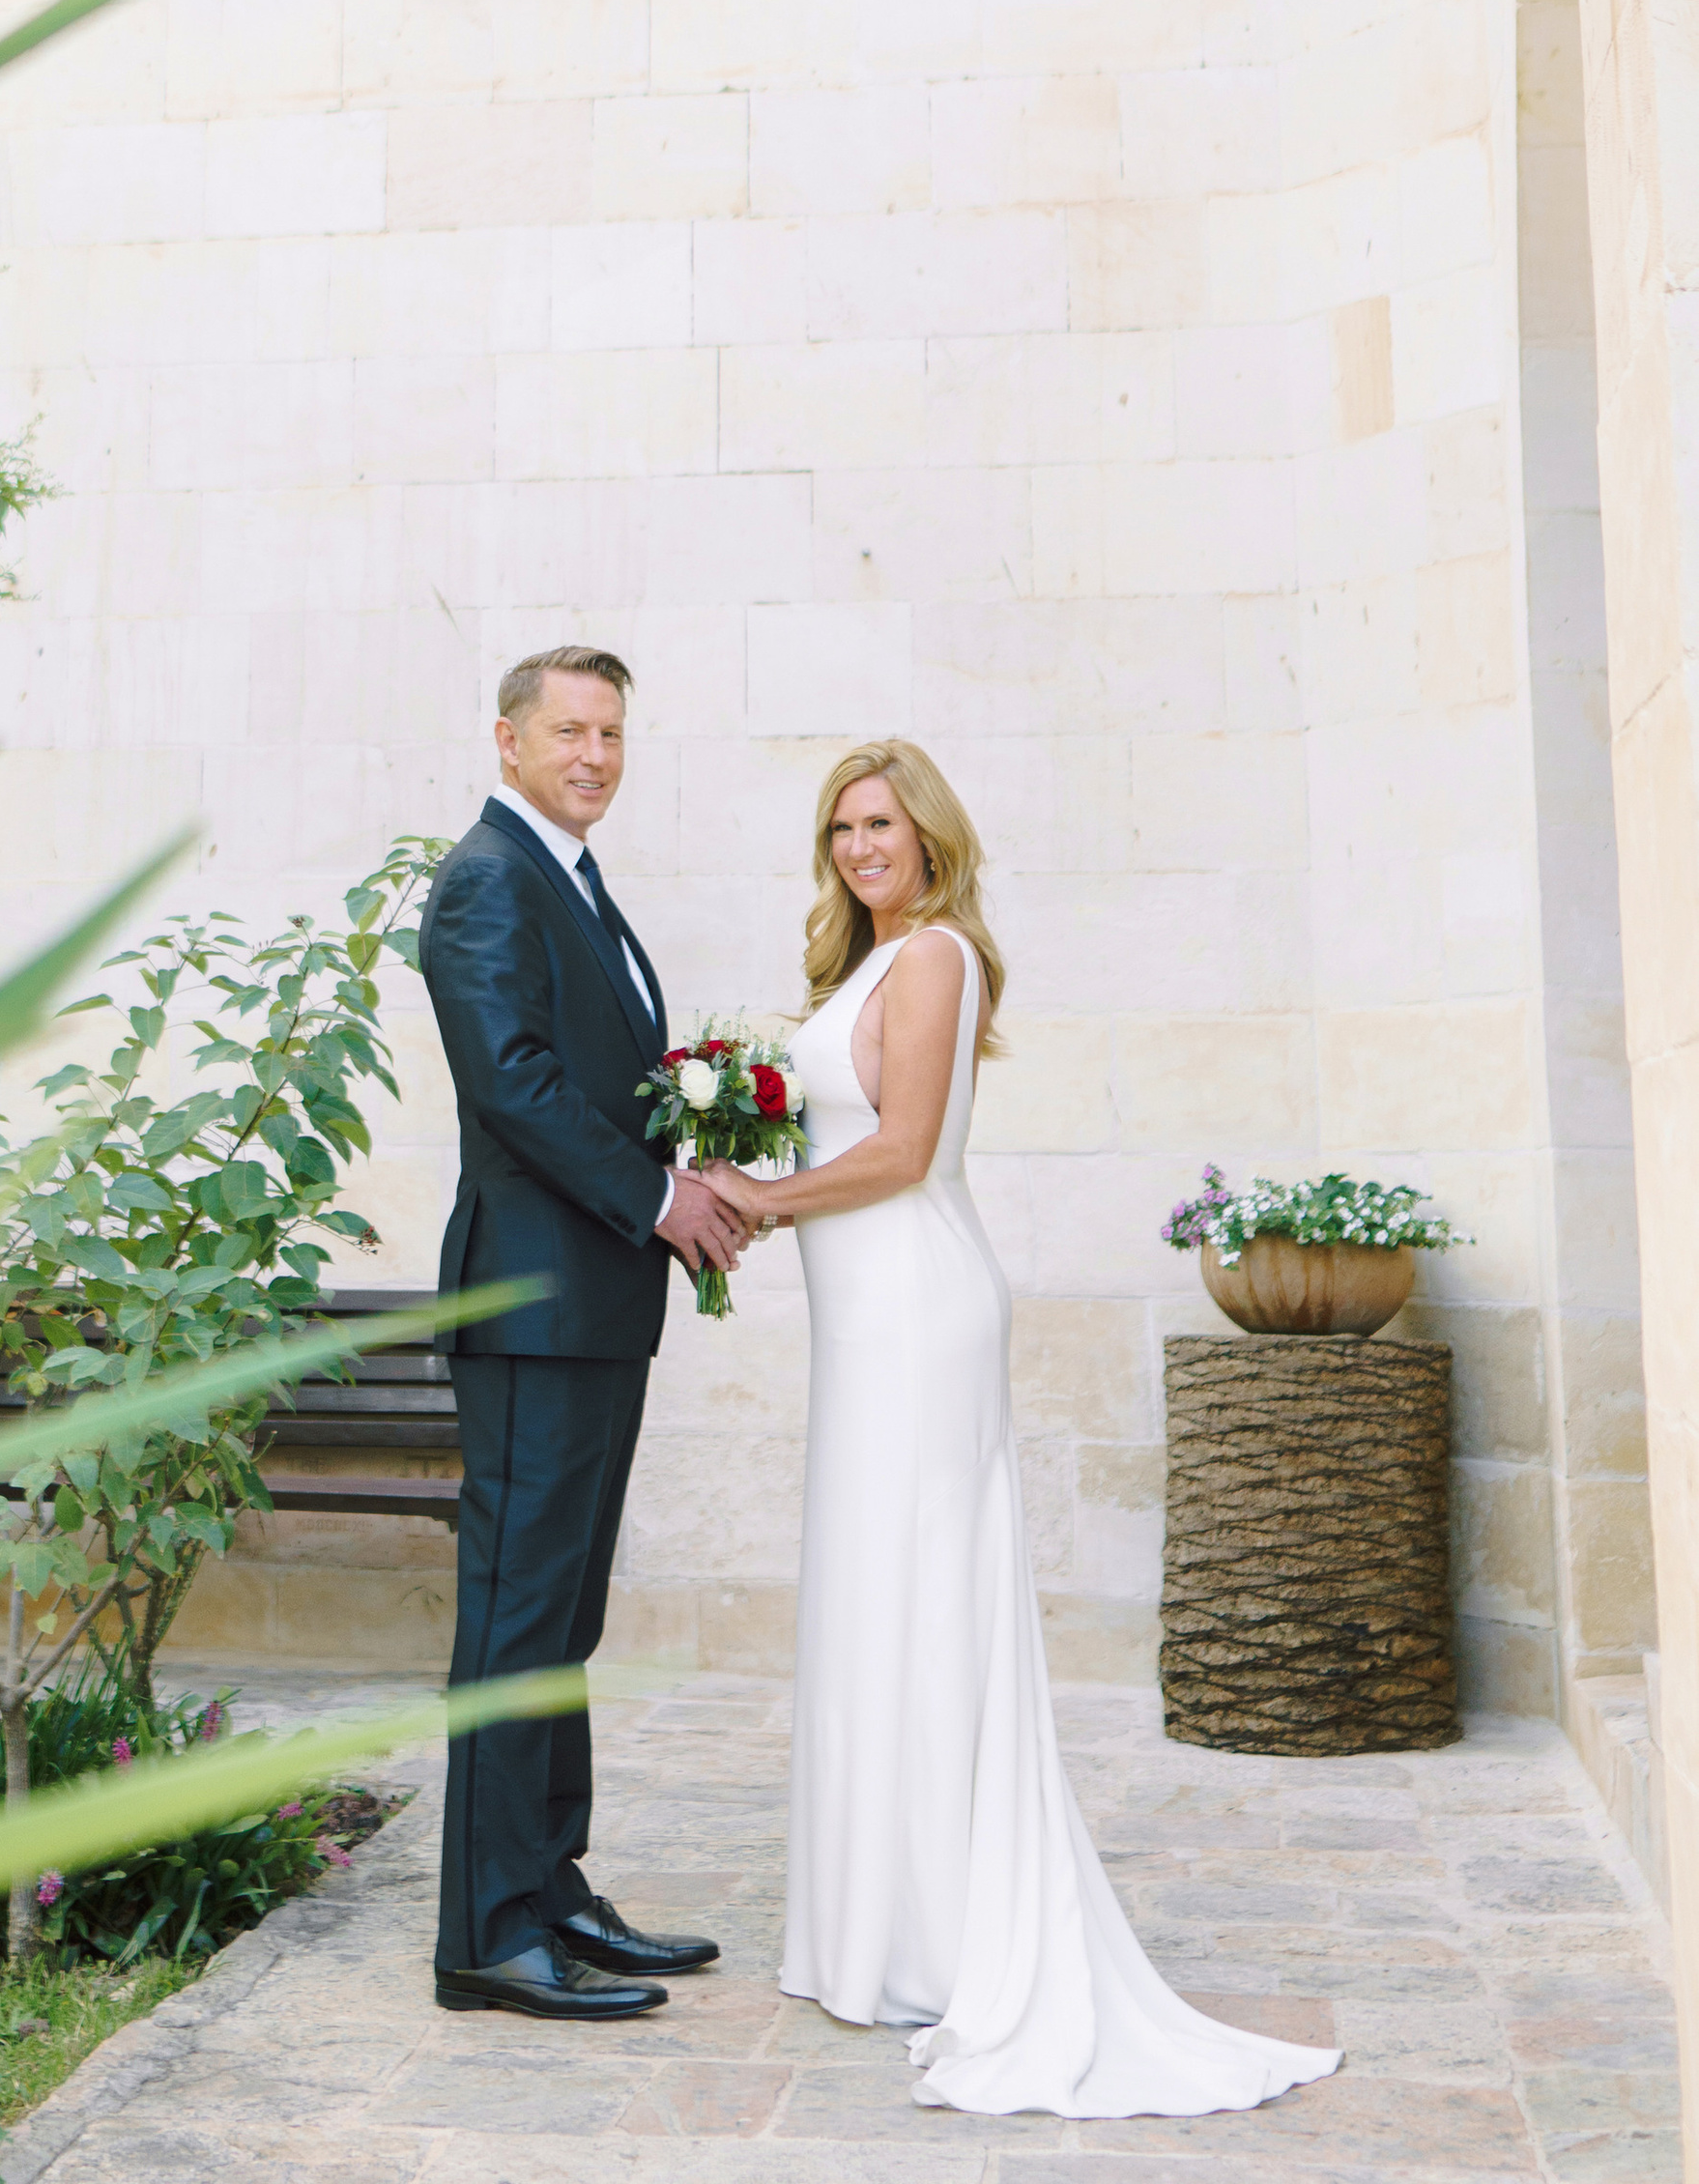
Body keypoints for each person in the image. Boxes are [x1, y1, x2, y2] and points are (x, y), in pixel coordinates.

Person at [705, 741, 1342, 2119]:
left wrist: (755, 1201)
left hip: (918, 1313)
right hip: (865, 1321)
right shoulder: (863, 965)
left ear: (931, 838)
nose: (860, 846)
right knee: (874, 1601)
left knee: (923, 1601)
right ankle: (872, 1929)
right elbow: (837, 1139)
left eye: (881, 824)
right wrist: (739, 1162)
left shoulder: (933, 958)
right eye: (840, 828)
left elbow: (903, 1151)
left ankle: (937, 1936)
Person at [418, 644, 745, 2023]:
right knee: (513, 1619)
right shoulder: (488, 879)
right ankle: (487, 1935)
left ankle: (548, 1886)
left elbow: (599, 1075)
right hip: (534, 1311)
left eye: (612, 732)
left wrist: (706, 1130)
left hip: (596, 1308)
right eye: (569, 731)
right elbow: (512, 1084)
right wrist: (661, 1193)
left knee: (562, 1614)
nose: (595, 754)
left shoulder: (575, 879)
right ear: (506, 741)